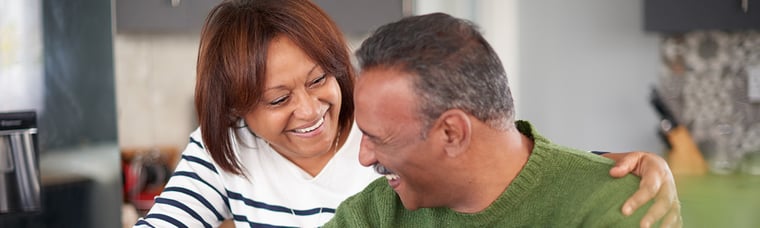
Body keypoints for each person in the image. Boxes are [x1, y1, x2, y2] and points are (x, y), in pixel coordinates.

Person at [134, 0, 680, 227]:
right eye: (277, 100)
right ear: (237, 108)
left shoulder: (392, 128)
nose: (309, 110)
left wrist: (629, 168)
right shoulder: (220, 146)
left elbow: (504, 155)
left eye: (320, 79)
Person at [323, 13, 681, 228]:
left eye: (377, 138)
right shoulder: (378, 212)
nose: (364, 157)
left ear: (452, 132)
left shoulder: (613, 207)